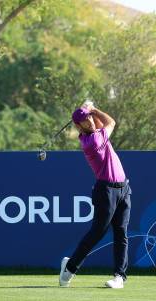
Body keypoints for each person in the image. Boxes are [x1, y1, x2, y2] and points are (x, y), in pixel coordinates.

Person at [59, 102, 131, 289]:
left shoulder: (95, 131)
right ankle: (70, 267)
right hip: (106, 190)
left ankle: (119, 277)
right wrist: (94, 109)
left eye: (89, 117)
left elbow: (99, 124)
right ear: (78, 126)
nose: (89, 121)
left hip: (123, 188)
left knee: (121, 233)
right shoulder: (92, 142)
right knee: (98, 232)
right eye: (84, 120)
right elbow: (111, 122)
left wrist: (89, 110)